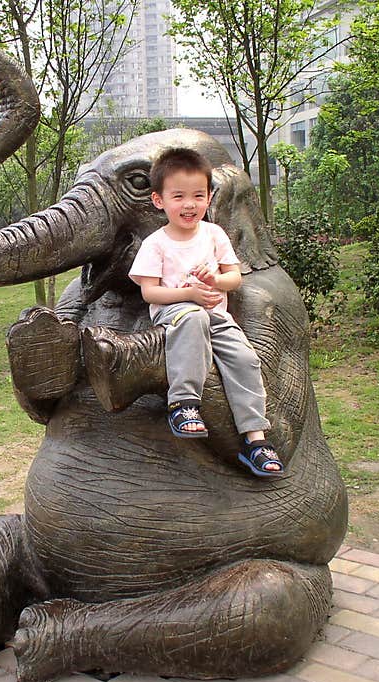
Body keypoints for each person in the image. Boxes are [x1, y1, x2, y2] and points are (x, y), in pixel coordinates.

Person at [128, 147, 284, 477]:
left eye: (198, 195)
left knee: (245, 358)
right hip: (176, 312)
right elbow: (150, 292)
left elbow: (235, 277)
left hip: (217, 315)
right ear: (159, 200)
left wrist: (216, 279)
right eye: (179, 196)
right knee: (193, 316)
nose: (189, 204)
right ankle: (183, 405)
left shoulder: (214, 234)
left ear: (209, 197)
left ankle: (256, 439)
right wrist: (190, 293)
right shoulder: (156, 243)